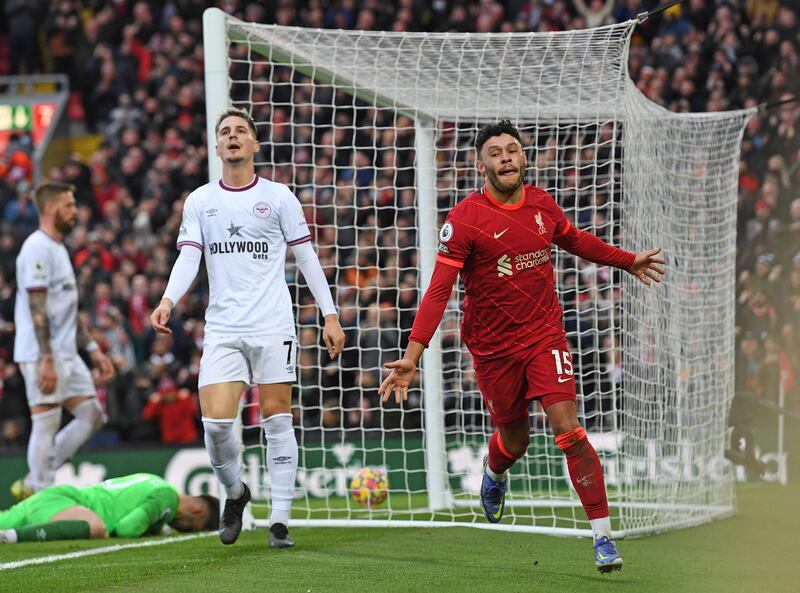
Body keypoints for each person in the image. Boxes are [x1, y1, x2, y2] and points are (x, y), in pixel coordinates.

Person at [379, 121, 665, 573]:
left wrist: (627, 260)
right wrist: (414, 355)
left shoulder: (541, 204)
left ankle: (603, 538)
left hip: (544, 335)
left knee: (569, 429)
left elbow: (577, 241)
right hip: (492, 349)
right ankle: (494, 474)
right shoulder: (464, 221)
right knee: (516, 438)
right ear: (481, 164)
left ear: (524, 157)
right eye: (496, 152)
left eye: (513, 149)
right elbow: (438, 291)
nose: (506, 157)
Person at [150, 107, 345, 549]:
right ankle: (236, 493)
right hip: (222, 328)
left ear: (255, 144)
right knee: (217, 425)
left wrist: (330, 314)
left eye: (241, 131)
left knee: (277, 419)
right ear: (216, 147)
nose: (232, 136)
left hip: (273, 323)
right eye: (225, 132)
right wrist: (167, 299)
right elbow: (189, 257)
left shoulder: (279, 197)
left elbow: (306, 257)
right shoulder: (201, 201)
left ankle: (280, 519)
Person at [12, 182, 115, 498]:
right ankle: (43, 492)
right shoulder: (37, 248)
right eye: (69, 205)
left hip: (67, 351)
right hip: (42, 352)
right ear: (51, 208)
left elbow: (68, 308)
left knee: (92, 415)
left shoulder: (58, 247)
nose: (75, 211)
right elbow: (37, 307)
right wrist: (46, 358)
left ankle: (33, 481)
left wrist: (93, 349)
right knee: (46, 420)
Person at [0, 473, 219, 543]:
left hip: (60, 499)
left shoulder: (159, 483)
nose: (183, 531)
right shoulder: (167, 497)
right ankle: (7, 537)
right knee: (95, 527)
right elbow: (126, 528)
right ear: (198, 511)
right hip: (65, 502)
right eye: (192, 530)